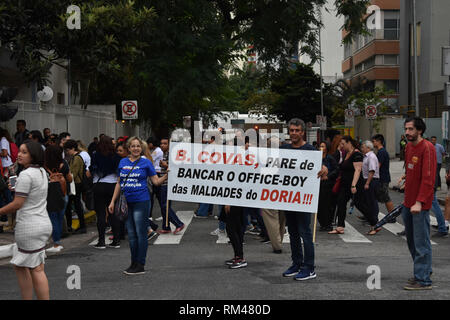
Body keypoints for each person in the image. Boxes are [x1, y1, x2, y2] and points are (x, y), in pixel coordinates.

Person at [108, 137, 169, 275]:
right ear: (128, 148)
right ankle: (133, 262)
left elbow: (156, 182)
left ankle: (140, 264)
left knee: (141, 234)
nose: (136, 148)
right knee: (131, 234)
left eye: (138, 146)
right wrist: (112, 201)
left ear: (141, 148)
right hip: (126, 202)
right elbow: (119, 183)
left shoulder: (146, 162)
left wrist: (166, 175)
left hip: (141, 201)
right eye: (133, 146)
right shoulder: (122, 162)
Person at [0, 140, 52, 300]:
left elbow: (17, 203)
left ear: (33, 155)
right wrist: (18, 188)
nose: (19, 155)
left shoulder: (26, 174)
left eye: (24, 152)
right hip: (42, 223)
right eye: (20, 151)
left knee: (35, 268)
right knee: (23, 265)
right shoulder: (42, 171)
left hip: (29, 226)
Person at [281, 118, 327, 281]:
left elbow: (324, 168)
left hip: (304, 199)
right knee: (293, 233)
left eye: (297, 130)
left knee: (305, 233)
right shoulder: (284, 148)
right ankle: (297, 264)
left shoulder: (310, 150)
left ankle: (309, 267)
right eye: (291, 130)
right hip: (288, 198)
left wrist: (324, 168)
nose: (293, 133)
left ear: (302, 132)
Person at [400, 117, 436, 290]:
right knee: (412, 242)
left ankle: (423, 280)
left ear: (420, 130)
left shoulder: (427, 148)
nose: (407, 132)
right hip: (408, 202)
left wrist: (420, 202)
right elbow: (411, 169)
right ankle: (423, 271)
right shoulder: (408, 147)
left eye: (411, 129)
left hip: (419, 205)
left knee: (421, 242)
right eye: (406, 129)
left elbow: (428, 179)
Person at [90, 136, 122, 249]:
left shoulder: (95, 155)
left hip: (99, 185)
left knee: (101, 214)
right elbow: (119, 172)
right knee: (113, 213)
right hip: (113, 185)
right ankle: (116, 240)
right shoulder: (117, 157)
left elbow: (92, 170)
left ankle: (101, 241)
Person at [329, 136, 365, 235]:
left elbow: (358, 170)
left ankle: (374, 222)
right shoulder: (347, 154)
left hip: (353, 184)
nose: (342, 146)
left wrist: (353, 185)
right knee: (341, 203)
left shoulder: (357, 154)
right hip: (344, 184)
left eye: (343, 143)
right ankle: (340, 226)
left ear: (349, 143)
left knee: (360, 204)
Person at [44, 145, 72, 253]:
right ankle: (57, 242)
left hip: (50, 195)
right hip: (63, 194)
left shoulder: (44, 166)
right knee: (59, 219)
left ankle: (56, 243)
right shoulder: (64, 164)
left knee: (52, 218)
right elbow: (70, 178)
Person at [261, 136, 286, 253]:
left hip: (269, 191)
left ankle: (277, 245)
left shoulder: (264, 157)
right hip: (283, 192)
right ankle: (279, 240)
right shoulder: (286, 157)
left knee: (272, 219)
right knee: (281, 219)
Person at [156, 138, 185, 234]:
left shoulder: (172, 154)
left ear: (169, 145)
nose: (162, 145)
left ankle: (179, 224)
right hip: (164, 182)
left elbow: (176, 167)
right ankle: (166, 226)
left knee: (165, 205)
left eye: (165, 143)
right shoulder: (164, 154)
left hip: (168, 183)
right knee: (165, 206)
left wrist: (165, 165)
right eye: (161, 143)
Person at [63, 139, 86, 234]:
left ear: (73, 148)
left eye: (68, 150)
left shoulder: (76, 158)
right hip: (76, 184)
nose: (67, 152)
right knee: (75, 205)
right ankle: (78, 225)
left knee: (76, 205)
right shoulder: (75, 157)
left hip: (76, 184)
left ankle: (81, 226)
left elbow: (73, 173)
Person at [360, 140, 381, 235]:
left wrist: (367, 183)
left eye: (363, 147)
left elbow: (371, 171)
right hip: (369, 180)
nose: (362, 148)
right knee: (369, 201)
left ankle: (376, 224)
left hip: (372, 181)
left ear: (368, 148)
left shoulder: (371, 157)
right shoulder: (366, 156)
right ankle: (373, 223)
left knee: (372, 202)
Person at [371, 134, 395, 217]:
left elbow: (377, 166)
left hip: (383, 178)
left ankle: (392, 216)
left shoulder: (381, 152)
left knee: (386, 198)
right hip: (382, 178)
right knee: (375, 197)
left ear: (379, 141)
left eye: (374, 141)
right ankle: (371, 214)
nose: (373, 143)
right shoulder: (381, 151)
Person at [317, 141, 339, 232]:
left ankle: (328, 223)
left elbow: (336, 170)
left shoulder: (330, 158)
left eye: (323, 146)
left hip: (328, 184)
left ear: (327, 148)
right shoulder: (317, 158)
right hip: (319, 184)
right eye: (320, 146)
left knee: (328, 204)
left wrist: (328, 176)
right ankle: (322, 223)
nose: (321, 148)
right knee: (319, 205)